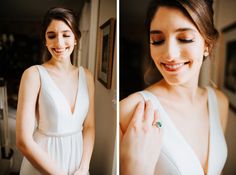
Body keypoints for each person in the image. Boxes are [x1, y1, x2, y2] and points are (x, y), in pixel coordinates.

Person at [120, 0, 228, 174]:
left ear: (207, 45)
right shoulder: (128, 111)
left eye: (185, 38)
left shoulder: (219, 102)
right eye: (157, 40)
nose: (169, 53)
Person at [16, 7, 95, 175]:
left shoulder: (86, 76)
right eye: (51, 36)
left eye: (66, 35)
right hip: (43, 162)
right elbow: (23, 140)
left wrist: (84, 167)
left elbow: (89, 126)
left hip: (78, 163)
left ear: (76, 38)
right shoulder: (33, 75)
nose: (59, 43)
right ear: (45, 40)